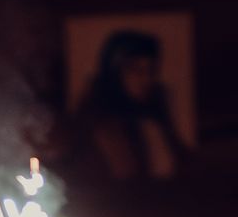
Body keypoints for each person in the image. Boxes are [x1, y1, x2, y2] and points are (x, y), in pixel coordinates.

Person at [70, 29, 190, 184]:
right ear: (115, 73)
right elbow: (124, 176)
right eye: (136, 70)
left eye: (150, 70)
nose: (146, 79)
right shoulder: (101, 123)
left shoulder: (155, 115)